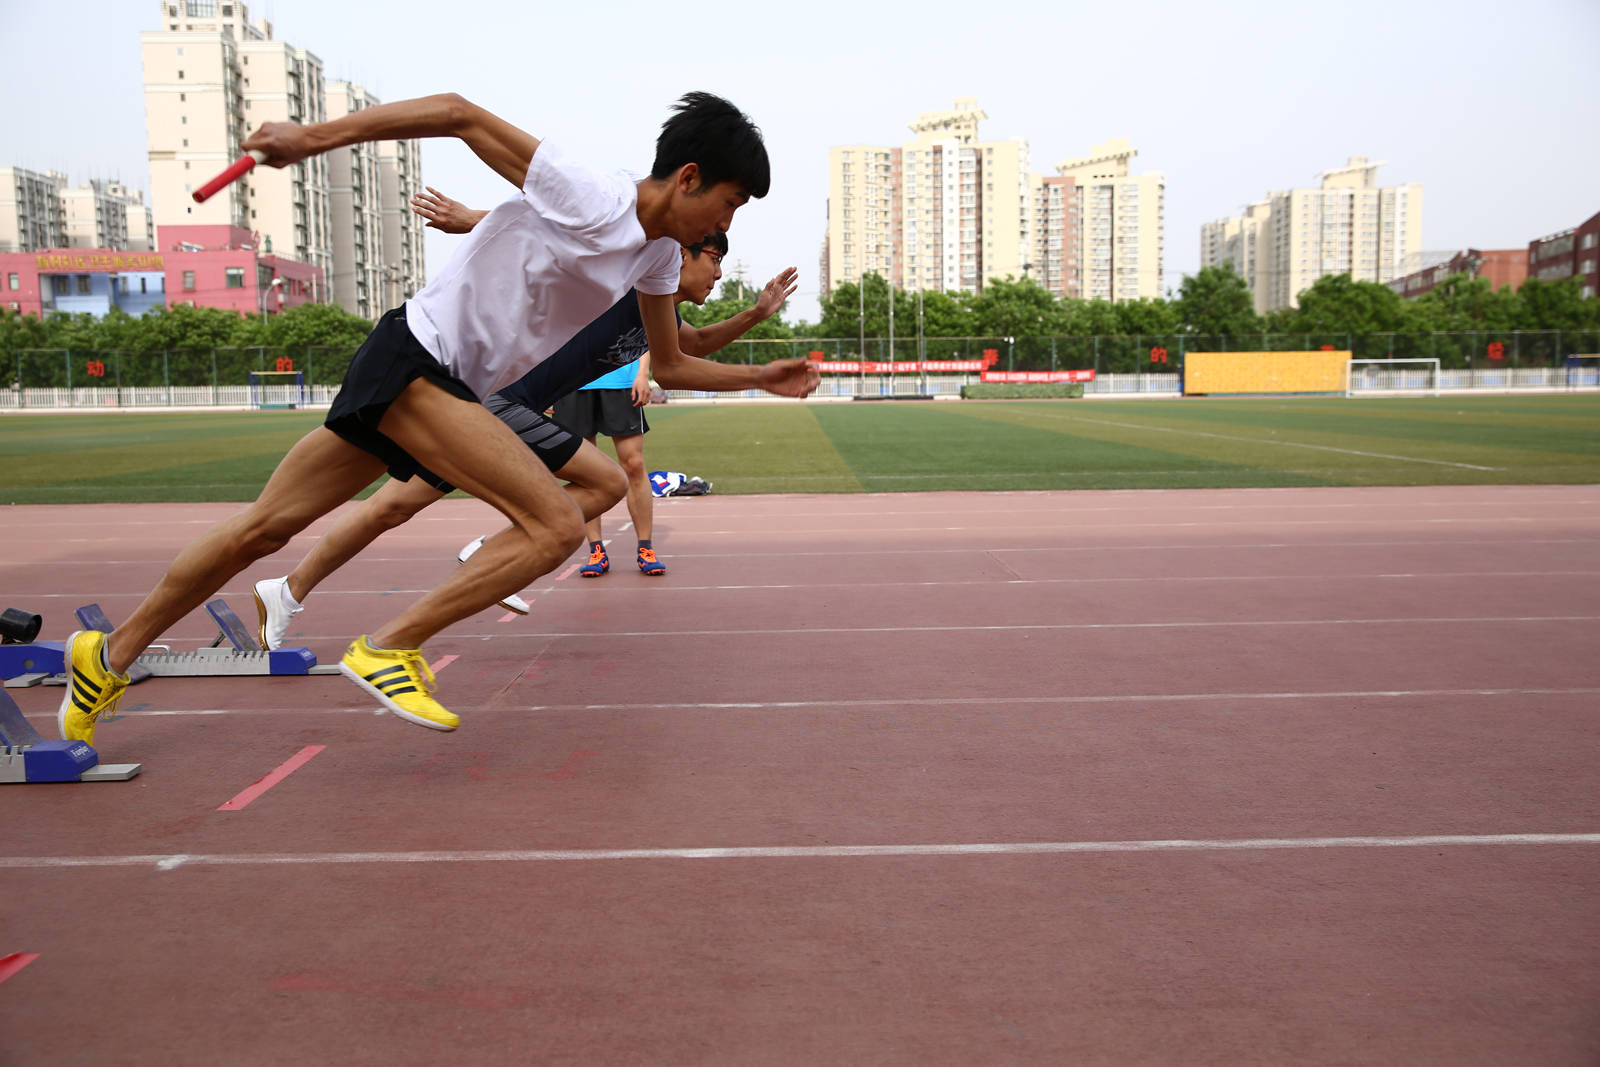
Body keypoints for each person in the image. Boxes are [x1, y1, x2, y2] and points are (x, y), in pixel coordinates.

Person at [57, 90, 818, 741]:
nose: (727, 223)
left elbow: (674, 361)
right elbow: (458, 113)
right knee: (555, 526)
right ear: (689, 178)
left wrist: (763, 375)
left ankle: (108, 655)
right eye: (729, 203)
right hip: (418, 362)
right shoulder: (594, 194)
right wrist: (310, 138)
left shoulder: (653, 258)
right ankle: (392, 644)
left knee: (264, 528)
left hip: (432, 383)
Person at [250, 189, 796, 647]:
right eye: (715, 257)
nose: (720, 273)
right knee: (605, 481)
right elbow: (565, 236)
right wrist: (472, 219)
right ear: (682, 253)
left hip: (490, 401)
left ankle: (288, 590)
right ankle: (493, 551)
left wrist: (757, 314)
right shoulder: (632, 275)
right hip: (501, 401)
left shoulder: (658, 308)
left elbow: (688, 346)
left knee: (391, 507)